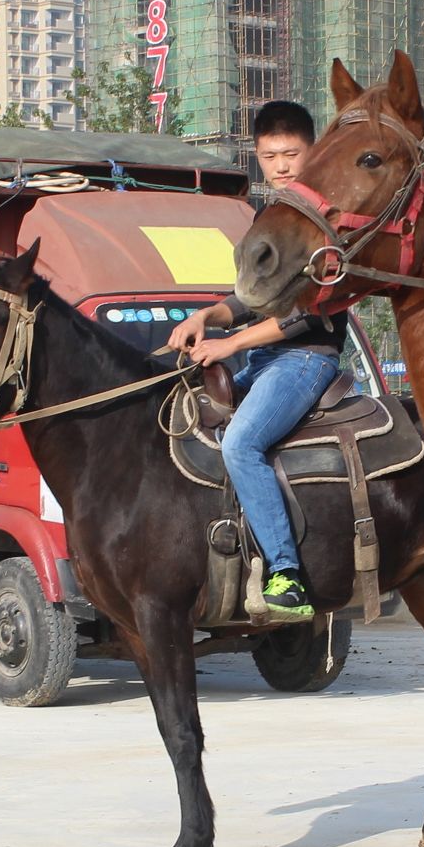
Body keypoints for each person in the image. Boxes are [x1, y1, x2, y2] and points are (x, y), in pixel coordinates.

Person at [168, 100, 343, 622]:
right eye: (271, 157)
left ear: (313, 151)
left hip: (306, 358)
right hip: (265, 356)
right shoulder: (271, 216)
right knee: (186, 418)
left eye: (292, 153)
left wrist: (230, 344)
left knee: (242, 441)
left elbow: (312, 313)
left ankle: (286, 575)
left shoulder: (326, 217)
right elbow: (250, 298)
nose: (283, 166)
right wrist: (208, 316)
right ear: (257, 157)